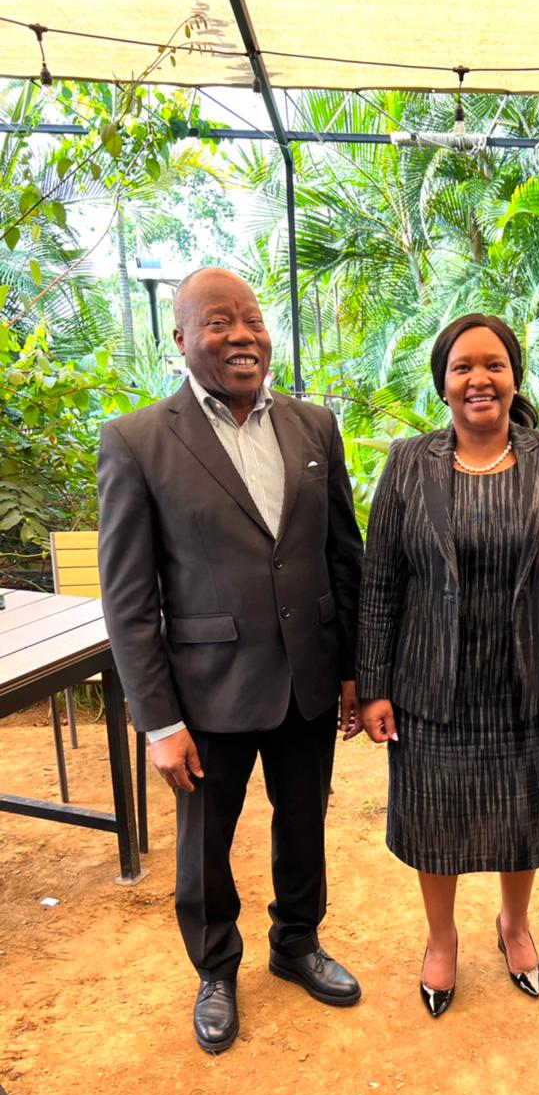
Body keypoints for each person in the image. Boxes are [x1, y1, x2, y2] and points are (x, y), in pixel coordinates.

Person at [97, 267, 365, 1054]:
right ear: (180, 340)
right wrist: (159, 721)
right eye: (219, 322)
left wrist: (352, 671)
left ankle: (298, 944)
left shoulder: (315, 427)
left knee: (304, 822)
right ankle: (216, 969)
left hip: (308, 678)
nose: (242, 334)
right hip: (204, 692)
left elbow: (341, 555)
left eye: (251, 319)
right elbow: (128, 597)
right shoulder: (139, 440)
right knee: (205, 844)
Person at [356, 314, 539, 1016]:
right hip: (431, 682)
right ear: (442, 382)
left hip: (529, 680)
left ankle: (514, 923)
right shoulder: (408, 463)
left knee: (522, 812)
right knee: (435, 817)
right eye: (463, 366)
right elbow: (381, 582)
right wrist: (374, 686)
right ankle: (441, 939)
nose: (479, 379)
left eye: (493, 365)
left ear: (514, 376)